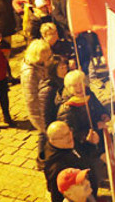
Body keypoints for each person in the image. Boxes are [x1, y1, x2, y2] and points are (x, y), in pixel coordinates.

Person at [44, 121, 98, 202]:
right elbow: (57, 196)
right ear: (52, 141)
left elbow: (82, 154)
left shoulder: (67, 143)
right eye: (63, 136)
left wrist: (91, 144)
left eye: (69, 132)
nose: (69, 137)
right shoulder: (56, 167)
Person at [22, 39, 53, 168]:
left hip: (46, 105)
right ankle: (41, 160)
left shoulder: (40, 64)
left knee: (44, 134)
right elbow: (31, 99)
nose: (47, 55)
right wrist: (38, 120)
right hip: (39, 110)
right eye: (44, 53)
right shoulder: (30, 73)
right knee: (43, 134)